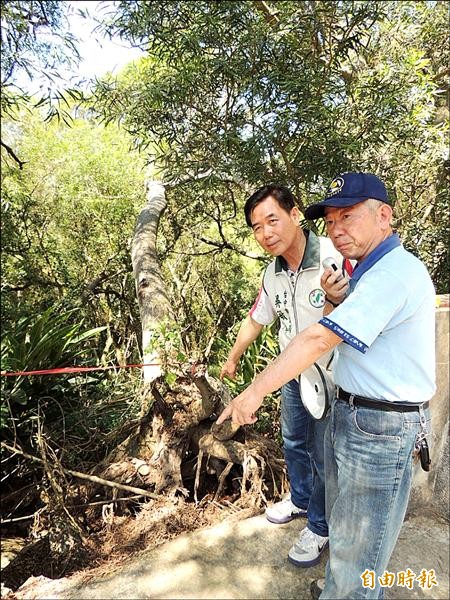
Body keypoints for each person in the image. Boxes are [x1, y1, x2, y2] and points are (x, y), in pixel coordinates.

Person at [217, 172, 435, 599]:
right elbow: (270, 318)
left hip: (379, 424)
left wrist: (253, 391)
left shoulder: (389, 272)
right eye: (332, 220)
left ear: (384, 217)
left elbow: (320, 337)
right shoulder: (361, 270)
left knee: (361, 547)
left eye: (349, 216)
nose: (338, 228)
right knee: (349, 532)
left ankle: (348, 587)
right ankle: (341, 583)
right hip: (351, 408)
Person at [220, 184, 349, 567]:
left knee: (326, 455)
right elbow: (258, 318)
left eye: (272, 220)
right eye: (257, 228)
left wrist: (334, 299)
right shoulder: (272, 273)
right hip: (291, 375)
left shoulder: (333, 255)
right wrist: (232, 358)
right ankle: (302, 499)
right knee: (294, 441)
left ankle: (321, 526)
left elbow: (347, 320)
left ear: (295, 215)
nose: (265, 234)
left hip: (331, 377)